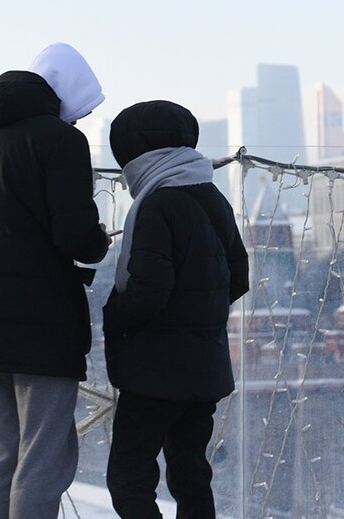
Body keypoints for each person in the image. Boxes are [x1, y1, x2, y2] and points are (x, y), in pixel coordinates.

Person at [0, 43, 111, 519]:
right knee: (40, 463)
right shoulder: (59, 141)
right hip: (45, 330)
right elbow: (75, 237)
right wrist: (98, 243)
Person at [102, 100, 249, 518]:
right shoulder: (212, 196)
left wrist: (114, 315)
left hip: (155, 374)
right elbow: (239, 276)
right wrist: (198, 315)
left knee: (129, 477)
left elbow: (148, 292)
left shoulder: (157, 205)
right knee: (190, 474)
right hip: (206, 369)